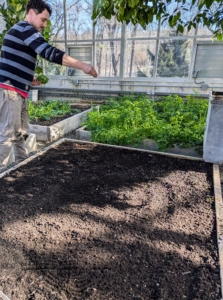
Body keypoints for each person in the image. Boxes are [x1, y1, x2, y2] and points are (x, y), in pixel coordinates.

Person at [0, 0, 98, 173]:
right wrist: (82, 65)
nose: (44, 25)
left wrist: (28, 80)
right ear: (31, 13)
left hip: (17, 91)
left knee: (20, 134)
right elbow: (49, 52)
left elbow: (10, 64)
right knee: (8, 137)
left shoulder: (20, 31)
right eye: (43, 20)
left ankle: (23, 171)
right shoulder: (26, 29)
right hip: (11, 92)